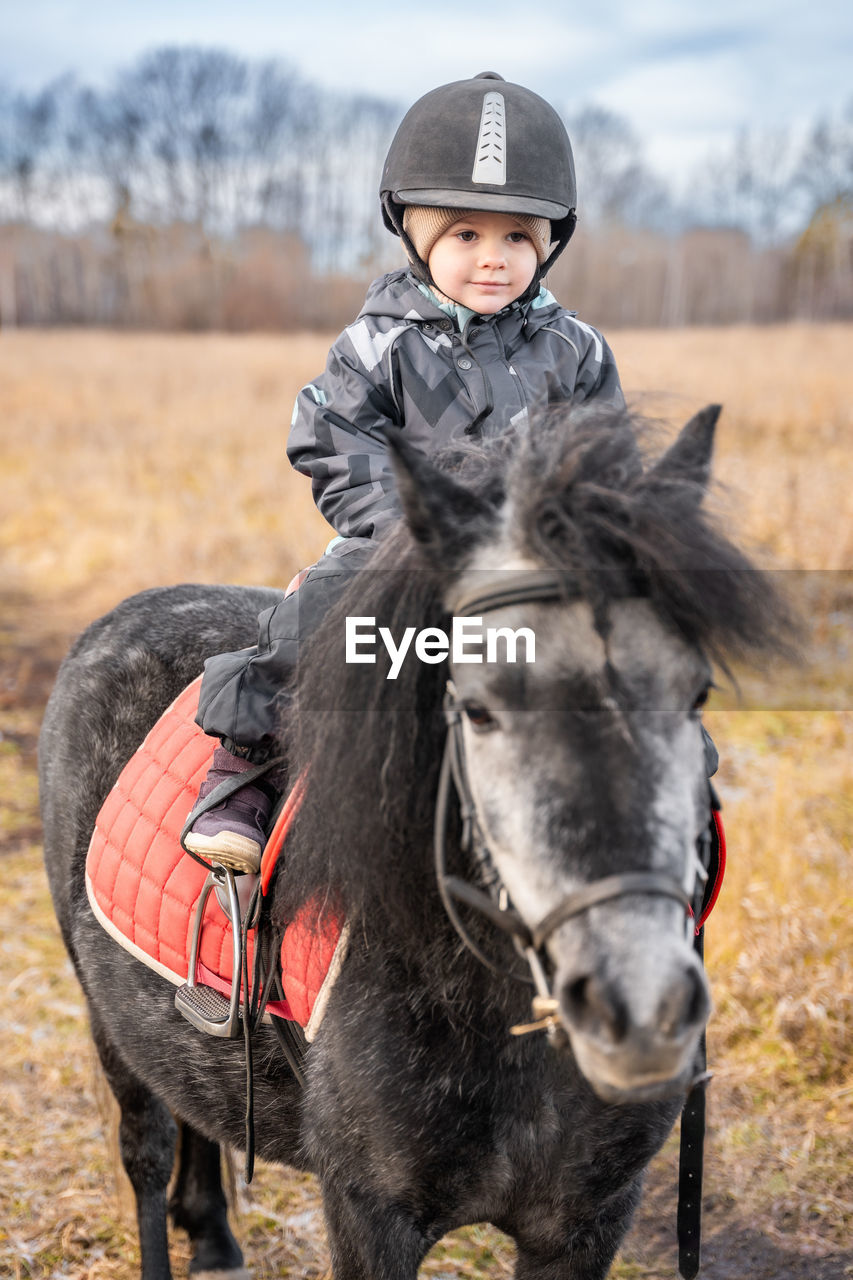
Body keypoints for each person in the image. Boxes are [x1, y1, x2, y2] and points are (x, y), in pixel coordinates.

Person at [183, 71, 625, 873]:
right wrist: (405, 529)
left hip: (535, 557)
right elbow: (334, 438)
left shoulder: (577, 349)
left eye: (516, 239)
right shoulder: (378, 345)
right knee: (325, 603)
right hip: (405, 545)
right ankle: (245, 759)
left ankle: (657, 777)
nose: (493, 260)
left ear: (546, 244)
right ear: (417, 238)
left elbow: (604, 456)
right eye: (465, 236)